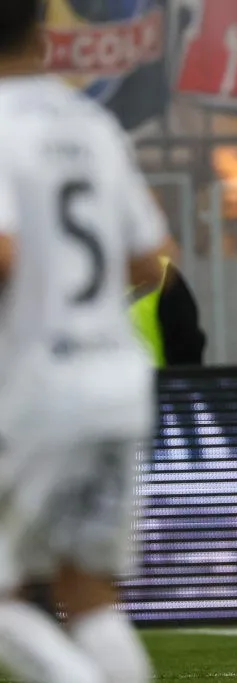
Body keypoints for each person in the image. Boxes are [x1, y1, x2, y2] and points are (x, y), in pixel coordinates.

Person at [0, 2, 175, 681]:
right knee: (90, 595)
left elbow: (6, 255)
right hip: (114, 383)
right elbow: (153, 256)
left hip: (36, 387)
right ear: (46, 33)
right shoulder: (93, 123)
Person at [129, 256, 206, 368]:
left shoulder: (162, 274)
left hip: (151, 382)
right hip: (150, 381)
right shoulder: (161, 272)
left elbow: (187, 352)